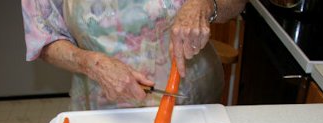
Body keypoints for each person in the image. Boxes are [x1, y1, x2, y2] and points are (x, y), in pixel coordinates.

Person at [22, 0, 247, 111]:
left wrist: (206, 4)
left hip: (192, 100)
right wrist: (93, 64)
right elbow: (45, 37)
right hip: (103, 104)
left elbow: (237, 4)